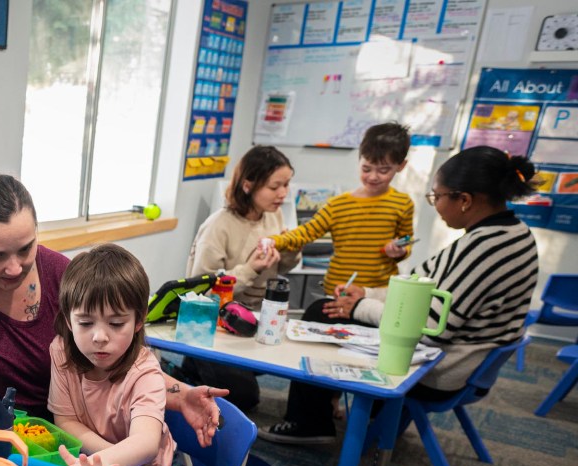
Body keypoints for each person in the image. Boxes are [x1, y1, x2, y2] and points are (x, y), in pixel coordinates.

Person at [0, 173, 225, 445]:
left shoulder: (64, 276)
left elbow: (123, 359)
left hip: (48, 446)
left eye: (25, 248)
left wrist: (178, 394)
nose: (15, 267)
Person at [260, 146, 540, 444]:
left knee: (321, 312)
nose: (435, 204)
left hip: (444, 368)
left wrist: (358, 308)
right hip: (467, 362)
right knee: (330, 308)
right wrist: (367, 293)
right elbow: (418, 287)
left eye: (438, 196)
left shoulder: (485, 246)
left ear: (465, 200)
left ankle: (310, 422)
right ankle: (367, 412)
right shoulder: (511, 232)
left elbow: (431, 325)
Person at [176, 145, 301, 410]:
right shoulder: (218, 225)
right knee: (244, 396)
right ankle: (191, 367)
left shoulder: (273, 215)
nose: (283, 194)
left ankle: (197, 369)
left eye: (286, 184)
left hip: (255, 318)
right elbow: (201, 293)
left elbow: (282, 268)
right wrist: (249, 269)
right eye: (274, 186)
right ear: (248, 185)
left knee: (295, 361)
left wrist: (292, 249)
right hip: (216, 325)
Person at [49, 244, 176, 466]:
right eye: (85, 323)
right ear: (68, 320)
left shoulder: (145, 371)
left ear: (139, 321)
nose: (99, 337)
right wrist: (108, 460)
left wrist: (108, 462)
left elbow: (146, 443)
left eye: (116, 324)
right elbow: (65, 420)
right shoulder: (61, 351)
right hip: (99, 462)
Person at [264, 122, 415, 294]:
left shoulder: (403, 203)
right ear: (359, 160)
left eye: (383, 170)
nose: (373, 176)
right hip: (337, 290)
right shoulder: (338, 205)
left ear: (401, 166)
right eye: (366, 168)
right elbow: (305, 233)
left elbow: (406, 240)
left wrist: (400, 250)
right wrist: (275, 241)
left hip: (377, 292)